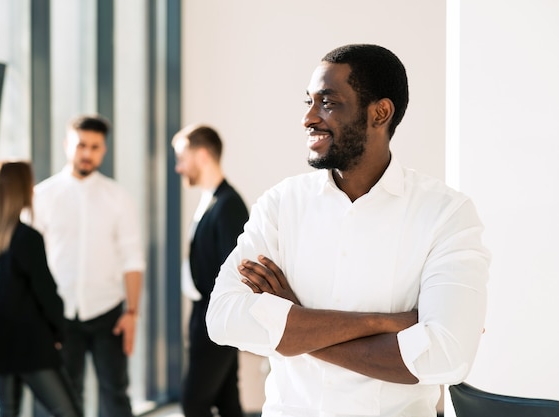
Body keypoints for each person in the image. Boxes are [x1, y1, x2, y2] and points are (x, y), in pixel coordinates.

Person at [206, 44, 491, 417]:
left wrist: (294, 324)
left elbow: (447, 357)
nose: (309, 117)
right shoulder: (281, 204)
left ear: (380, 113)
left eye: (328, 102)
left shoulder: (446, 213)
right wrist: (386, 323)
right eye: (308, 101)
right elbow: (224, 318)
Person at [31, 114, 145, 417]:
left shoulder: (118, 198)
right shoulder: (42, 197)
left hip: (108, 314)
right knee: (66, 400)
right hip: (59, 315)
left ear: (103, 150)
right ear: (67, 144)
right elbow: (31, 261)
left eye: (95, 147)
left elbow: (133, 258)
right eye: (81, 144)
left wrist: (132, 312)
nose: (87, 153)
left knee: (116, 396)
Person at [0, 160, 82, 417]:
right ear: (22, 190)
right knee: (68, 412)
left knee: (6, 412)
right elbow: (46, 294)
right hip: (32, 347)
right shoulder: (27, 238)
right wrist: (60, 332)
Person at [172, 125, 248, 417]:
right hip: (206, 314)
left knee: (194, 403)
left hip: (214, 317)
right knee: (228, 403)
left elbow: (235, 270)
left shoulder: (228, 205)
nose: (179, 168)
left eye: (182, 158)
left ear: (202, 155)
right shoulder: (212, 201)